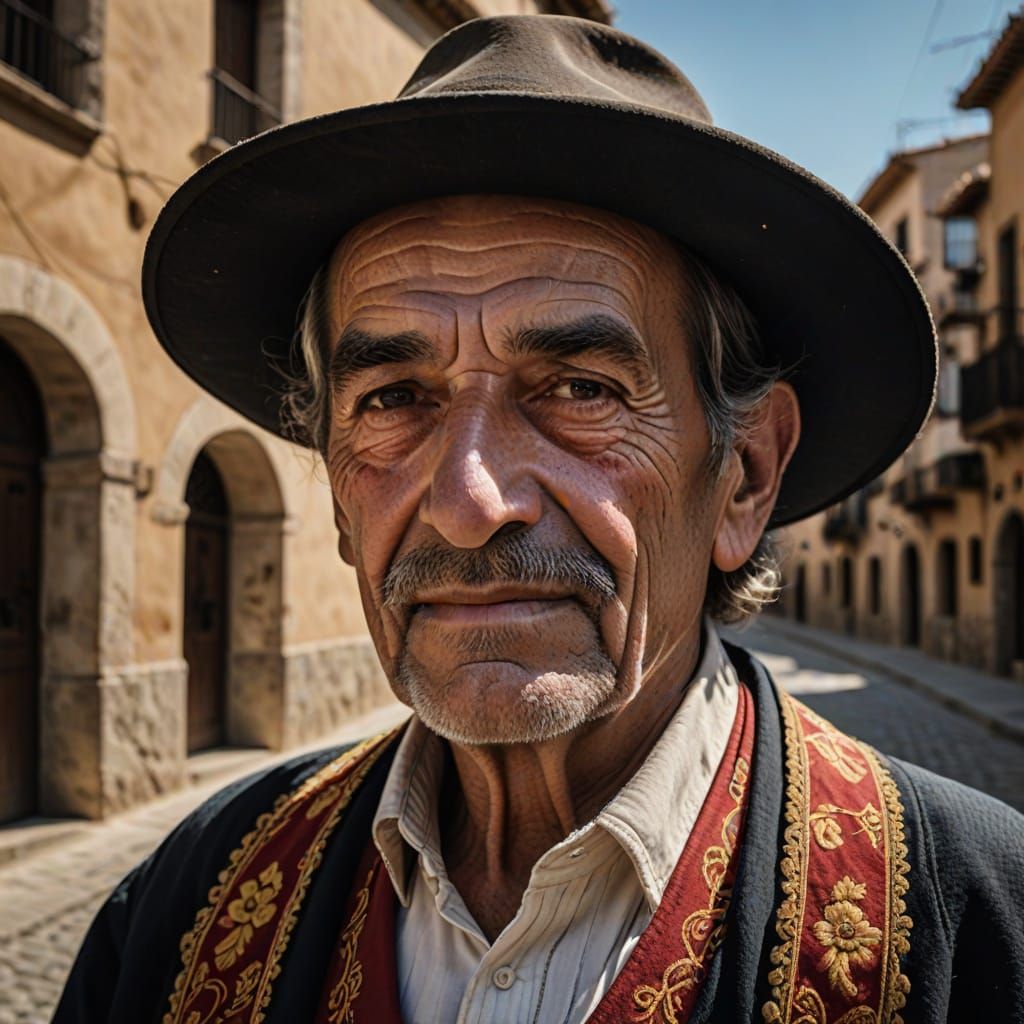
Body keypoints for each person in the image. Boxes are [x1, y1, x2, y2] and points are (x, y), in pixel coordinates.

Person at [55, 15, 1023, 1024]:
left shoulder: (981, 929)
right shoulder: (184, 908)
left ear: (742, 476)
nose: (470, 503)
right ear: (340, 492)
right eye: (391, 398)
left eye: (578, 388)